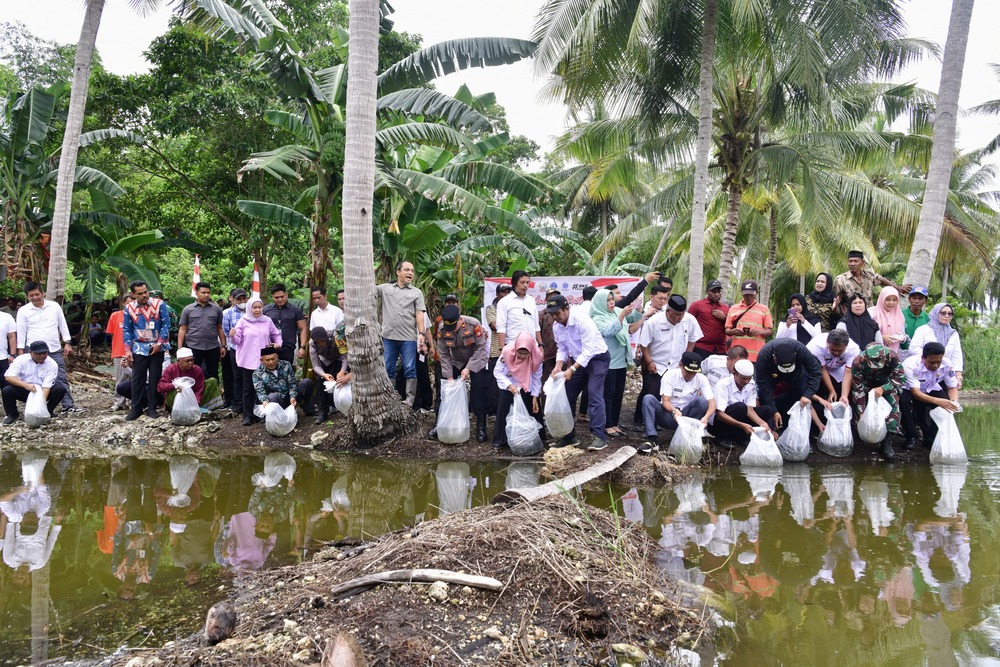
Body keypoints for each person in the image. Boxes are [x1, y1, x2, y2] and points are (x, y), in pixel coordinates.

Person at [547, 293, 611, 451]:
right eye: (552, 314)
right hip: (578, 360)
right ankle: (569, 437)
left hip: (597, 358)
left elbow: (589, 351)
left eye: (558, 313)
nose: (555, 317)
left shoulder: (582, 320)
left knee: (594, 394)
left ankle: (599, 437)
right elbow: (562, 348)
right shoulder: (557, 326)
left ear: (566, 309)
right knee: (568, 394)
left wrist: (572, 369)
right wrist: (558, 366)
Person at [15, 281, 80, 412]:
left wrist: (67, 342)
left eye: (37, 294)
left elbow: (62, 324)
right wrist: (21, 351)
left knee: (60, 376)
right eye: (31, 296)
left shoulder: (54, 306)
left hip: (54, 348)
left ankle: (68, 405)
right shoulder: (23, 311)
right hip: (33, 350)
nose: (34, 298)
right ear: (27, 296)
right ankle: (34, 406)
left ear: (42, 293)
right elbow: (21, 331)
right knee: (32, 377)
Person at [428, 304, 490, 442]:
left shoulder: (473, 324)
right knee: (444, 390)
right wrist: (449, 377)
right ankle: (440, 424)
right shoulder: (442, 329)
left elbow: (481, 348)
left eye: (454, 327)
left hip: (476, 360)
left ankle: (481, 427)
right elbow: (443, 354)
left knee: (478, 390)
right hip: (457, 361)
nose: (452, 330)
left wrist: (469, 368)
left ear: (460, 320)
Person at [639, 352, 716, 455]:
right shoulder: (670, 375)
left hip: (688, 416)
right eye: (688, 372)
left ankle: (693, 437)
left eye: (694, 373)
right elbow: (665, 401)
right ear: (680, 365)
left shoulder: (701, 379)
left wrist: (706, 417)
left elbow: (712, 403)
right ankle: (652, 439)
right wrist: (674, 410)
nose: (691, 375)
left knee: (701, 401)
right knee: (648, 399)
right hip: (669, 414)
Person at [376, 261, 428, 407]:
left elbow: (419, 313)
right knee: (388, 368)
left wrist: (421, 333)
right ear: (398, 272)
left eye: (412, 270)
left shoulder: (416, 292)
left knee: (410, 369)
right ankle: (389, 399)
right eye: (407, 270)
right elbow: (369, 291)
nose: (410, 273)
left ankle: (409, 400)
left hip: (408, 338)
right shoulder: (385, 289)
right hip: (388, 337)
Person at [638, 293, 704, 402]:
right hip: (657, 365)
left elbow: (693, 339)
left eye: (682, 314)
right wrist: (649, 362)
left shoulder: (690, 320)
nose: (679, 317)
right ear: (667, 311)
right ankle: (640, 418)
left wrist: (685, 359)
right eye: (676, 314)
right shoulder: (654, 321)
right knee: (651, 394)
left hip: (677, 365)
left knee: (673, 396)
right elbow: (644, 344)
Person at [590, 288, 637, 437]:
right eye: (608, 301)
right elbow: (609, 331)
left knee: (618, 393)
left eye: (612, 300)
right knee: (608, 394)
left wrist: (637, 310)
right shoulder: (597, 318)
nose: (611, 303)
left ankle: (615, 423)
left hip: (621, 359)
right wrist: (622, 315)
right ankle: (607, 424)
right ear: (599, 303)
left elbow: (631, 320)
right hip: (607, 361)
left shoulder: (617, 311)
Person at [850, 343, 910, 461]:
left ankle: (887, 440)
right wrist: (861, 412)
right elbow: (858, 387)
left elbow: (901, 378)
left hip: (887, 384)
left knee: (893, 407)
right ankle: (860, 436)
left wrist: (883, 388)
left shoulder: (892, 356)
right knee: (859, 408)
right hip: (867, 384)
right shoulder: (858, 361)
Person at [122, 281, 171, 421]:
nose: (144, 295)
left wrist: (160, 343)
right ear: (133, 294)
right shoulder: (129, 308)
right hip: (138, 347)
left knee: (155, 377)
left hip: (157, 347)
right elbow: (127, 329)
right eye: (140, 293)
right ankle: (135, 409)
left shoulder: (159, 304)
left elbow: (166, 325)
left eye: (145, 292)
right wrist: (127, 349)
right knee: (138, 378)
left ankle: (152, 408)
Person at [230, 296, 283, 426]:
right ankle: (248, 415)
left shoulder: (267, 320)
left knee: (264, 387)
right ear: (249, 308)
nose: (257, 310)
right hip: (248, 360)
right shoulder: (243, 321)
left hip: (264, 360)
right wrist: (232, 335)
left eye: (259, 307)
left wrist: (277, 344)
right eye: (254, 307)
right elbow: (237, 340)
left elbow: (276, 334)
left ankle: (262, 414)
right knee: (248, 388)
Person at [901, 341, 960, 450]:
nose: (936, 365)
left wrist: (953, 402)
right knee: (904, 402)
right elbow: (916, 393)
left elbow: (952, 387)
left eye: (938, 362)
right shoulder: (910, 365)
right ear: (923, 358)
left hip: (931, 387)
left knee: (946, 406)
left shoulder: (947, 364)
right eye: (932, 362)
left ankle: (931, 438)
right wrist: (938, 401)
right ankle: (911, 436)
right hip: (910, 389)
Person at [754, 338, 823, 428]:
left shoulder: (801, 350)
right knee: (766, 400)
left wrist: (807, 394)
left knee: (802, 395)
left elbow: (816, 372)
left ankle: (799, 428)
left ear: (795, 355)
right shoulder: (764, 356)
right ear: (774, 358)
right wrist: (774, 411)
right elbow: (764, 387)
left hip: (797, 374)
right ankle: (771, 428)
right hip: (771, 374)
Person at [492, 332, 543, 451]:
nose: (522, 356)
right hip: (508, 382)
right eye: (520, 353)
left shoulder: (537, 357)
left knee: (532, 406)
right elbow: (497, 372)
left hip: (526, 383)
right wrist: (510, 386)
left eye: (526, 354)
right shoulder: (507, 352)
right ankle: (501, 439)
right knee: (504, 405)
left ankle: (534, 438)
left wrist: (535, 396)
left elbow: (536, 377)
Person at [709, 359, 776, 449]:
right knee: (740, 407)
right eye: (743, 378)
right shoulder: (723, 384)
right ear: (734, 374)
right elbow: (720, 414)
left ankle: (741, 437)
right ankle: (722, 438)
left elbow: (750, 410)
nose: (746, 381)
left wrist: (763, 423)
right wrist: (742, 425)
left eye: (749, 378)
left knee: (766, 410)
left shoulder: (751, 384)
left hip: (740, 416)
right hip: (720, 422)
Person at [631, 284, 673, 424]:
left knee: (660, 390)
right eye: (660, 298)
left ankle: (653, 419)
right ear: (652, 296)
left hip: (664, 357)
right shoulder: (642, 310)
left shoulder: (668, 313)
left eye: (665, 298)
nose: (662, 301)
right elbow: (635, 329)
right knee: (649, 388)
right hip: (646, 354)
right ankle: (639, 418)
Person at [2, 341, 67, 424]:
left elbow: (47, 386)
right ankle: (12, 414)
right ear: (30, 352)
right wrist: (25, 385)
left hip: (41, 391)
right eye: (39, 354)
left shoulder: (52, 364)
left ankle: (47, 411)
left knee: (60, 389)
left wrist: (39, 405)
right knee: (7, 390)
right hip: (25, 389)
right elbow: (9, 377)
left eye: (44, 353)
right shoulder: (21, 360)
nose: (42, 356)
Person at [178, 282, 227, 383]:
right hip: (193, 346)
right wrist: (180, 348)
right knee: (193, 373)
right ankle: (195, 397)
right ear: (196, 293)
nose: (206, 295)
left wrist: (223, 345)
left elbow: (220, 328)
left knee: (213, 373)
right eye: (203, 292)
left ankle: (214, 397)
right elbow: (183, 329)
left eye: (208, 293)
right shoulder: (188, 309)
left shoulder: (216, 309)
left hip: (212, 346)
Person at [807, 328, 860, 418]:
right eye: (832, 349)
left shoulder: (853, 349)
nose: (836, 352)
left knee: (840, 392)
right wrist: (831, 390)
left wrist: (844, 395)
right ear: (827, 343)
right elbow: (822, 369)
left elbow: (848, 372)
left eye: (840, 351)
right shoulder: (816, 345)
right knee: (818, 389)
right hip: (816, 367)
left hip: (838, 368)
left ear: (846, 346)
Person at [909, 303, 964, 389]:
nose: (946, 316)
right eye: (943, 313)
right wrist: (933, 355)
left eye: (950, 314)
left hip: (945, 373)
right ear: (936, 313)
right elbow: (913, 349)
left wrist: (958, 376)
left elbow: (956, 356)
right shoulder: (923, 329)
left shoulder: (953, 334)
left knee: (947, 399)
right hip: (925, 372)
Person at [833, 250, 911, 308]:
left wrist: (897, 288)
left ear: (862, 263)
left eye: (856, 261)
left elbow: (881, 279)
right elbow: (836, 301)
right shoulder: (840, 280)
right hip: (851, 317)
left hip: (869, 316)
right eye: (850, 261)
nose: (852, 264)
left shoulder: (868, 275)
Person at [155, 347, 224, 411]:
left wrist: (196, 402)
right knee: (179, 388)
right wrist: (174, 385)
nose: (190, 363)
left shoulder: (197, 369)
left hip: (193, 397)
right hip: (177, 398)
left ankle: (206, 408)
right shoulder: (171, 369)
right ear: (178, 361)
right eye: (187, 361)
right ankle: (179, 409)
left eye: (192, 360)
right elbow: (160, 387)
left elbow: (199, 389)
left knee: (212, 381)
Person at [252, 347, 314, 415]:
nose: (271, 362)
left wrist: (292, 396)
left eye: (273, 359)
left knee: (306, 382)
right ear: (262, 360)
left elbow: (292, 383)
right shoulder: (257, 373)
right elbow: (260, 392)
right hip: (276, 401)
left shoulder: (286, 365)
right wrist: (264, 402)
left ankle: (309, 410)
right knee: (272, 396)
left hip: (290, 396)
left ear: (277, 357)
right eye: (267, 360)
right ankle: (280, 417)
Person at [724, 280, 773, 362]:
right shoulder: (733, 308)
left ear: (756, 292)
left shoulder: (764, 309)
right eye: (746, 294)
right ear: (741, 293)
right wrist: (733, 331)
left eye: (751, 294)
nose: (748, 297)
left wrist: (759, 332)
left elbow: (770, 331)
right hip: (737, 355)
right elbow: (727, 330)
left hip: (757, 354)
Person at [495, 270, 541, 349]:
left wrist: (540, 345)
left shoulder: (531, 300)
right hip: (513, 346)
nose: (525, 285)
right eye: (522, 282)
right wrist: (502, 349)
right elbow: (501, 327)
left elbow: (536, 326)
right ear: (514, 283)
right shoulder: (504, 302)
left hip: (532, 346)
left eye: (527, 282)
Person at [484, 283, 511, 416]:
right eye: (503, 292)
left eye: (508, 292)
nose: (506, 295)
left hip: (512, 352)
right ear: (497, 294)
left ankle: (508, 411)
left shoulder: (512, 308)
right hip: (496, 352)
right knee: (494, 385)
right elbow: (494, 325)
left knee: (511, 383)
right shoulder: (491, 308)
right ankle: (493, 413)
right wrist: (510, 321)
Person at [263, 283, 307, 364]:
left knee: (287, 372)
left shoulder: (295, 310)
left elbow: (303, 328)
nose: (280, 299)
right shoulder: (266, 310)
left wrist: (302, 347)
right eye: (276, 297)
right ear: (272, 296)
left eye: (282, 297)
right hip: (270, 346)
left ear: (286, 295)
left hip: (288, 347)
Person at [309, 327, 345, 425]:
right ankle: (322, 411)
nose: (321, 344)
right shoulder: (312, 344)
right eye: (318, 343)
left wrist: (342, 371)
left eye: (323, 341)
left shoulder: (336, 338)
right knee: (320, 380)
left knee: (340, 378)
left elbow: (345, 357)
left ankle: (341, 406)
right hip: (324, 360)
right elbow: (315, 364)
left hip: (339, 359)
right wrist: (324, 374)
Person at [221, 289, 248, 412]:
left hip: (250, 349)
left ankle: (250, 400)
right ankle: (238, 403)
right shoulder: (228, 313)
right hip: (235, 349)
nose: (242, 301)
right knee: (237, 376)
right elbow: (226, 331)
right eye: (239, 299)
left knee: (250, 375)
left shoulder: (252, 311)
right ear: (233, 299)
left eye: (244, 298)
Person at [689, 279, 730, 359]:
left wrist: (724, 318)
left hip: (720, 348)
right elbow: (688, 323)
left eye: (718, 292)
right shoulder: (697, 305)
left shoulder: (725, 308)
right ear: (707, 291)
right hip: (701, 347)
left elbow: (731, 326)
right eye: (713, 292)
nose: (717, 294)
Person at [108, 295, 134, 410]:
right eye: (128, 303)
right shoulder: (115, 315)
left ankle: (134, 402)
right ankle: (119, 403)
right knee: (120, 378)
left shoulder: (138, 316)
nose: (130, 306)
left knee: (135, 377)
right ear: (123, 303)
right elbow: (113, 334)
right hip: (119, 351)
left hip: (135, 352)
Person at [869, 286, 908, 356]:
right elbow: (864, 332)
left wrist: (902, 338)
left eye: (894, 300)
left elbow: (903, 333)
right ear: (882, 299)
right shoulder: (872, 313)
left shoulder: (900, 315)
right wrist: (881, 337)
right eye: (888, 299)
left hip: (893, 354)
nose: (891, 303)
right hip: (874, 354)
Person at [538, 287, 562, 384]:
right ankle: (545, 399)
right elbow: (537, 332)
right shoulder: (542, 314)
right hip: (547, 354)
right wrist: (540, 348)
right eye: (551, 296)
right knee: (547, 380)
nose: (553, 298)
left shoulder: (563, 313)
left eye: (556, 296)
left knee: (561, 379)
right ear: (546, 300)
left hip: (561, 353)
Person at [900, 286, 930, 358]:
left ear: (926, 301)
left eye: (920, 298)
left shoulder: (928, 319)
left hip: (920, 355)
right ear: (909, 299)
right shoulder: (900, 315)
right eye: (914, 298)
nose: (916, 301)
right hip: (901, 353)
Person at [0, 305, 15, 389]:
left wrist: (12, 355)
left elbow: (12, 336)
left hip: (2, 357)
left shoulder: (6, 317)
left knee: (6, 386)